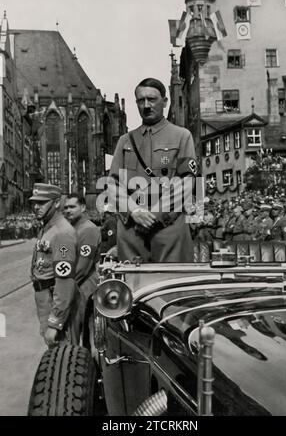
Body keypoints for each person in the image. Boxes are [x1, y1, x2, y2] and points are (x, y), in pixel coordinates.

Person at [108, 77, 197, 263]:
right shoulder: (125, 141)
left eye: (152, 99)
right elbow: (113, 184)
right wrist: (134, 212)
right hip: (132, 230)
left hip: (168, 228)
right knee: (135, 286)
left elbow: (186, 182)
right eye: (141, 100)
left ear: (165, 102)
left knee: (171, 285)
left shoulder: (181, 136)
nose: (146, 105)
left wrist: (155, 216)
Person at [30, 183, 79, 348]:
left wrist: (55, 321)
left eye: (42, 202)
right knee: (53, 351)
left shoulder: (62, 232)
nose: (36, 207)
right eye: (34, 202)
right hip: (45, 299)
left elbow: (65, 281)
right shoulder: (47, 227)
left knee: (62, 355)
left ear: (57, 203)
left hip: (54, 301)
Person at [64, 193, 101, 339]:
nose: (68, 210)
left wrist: (63, 287)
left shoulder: (88, 229)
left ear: (83, 207)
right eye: (65, 207)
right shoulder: (71, 228)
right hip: (74, 285)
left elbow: (82, 267)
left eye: (72, 206)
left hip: (83, 286)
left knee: (79, 331)